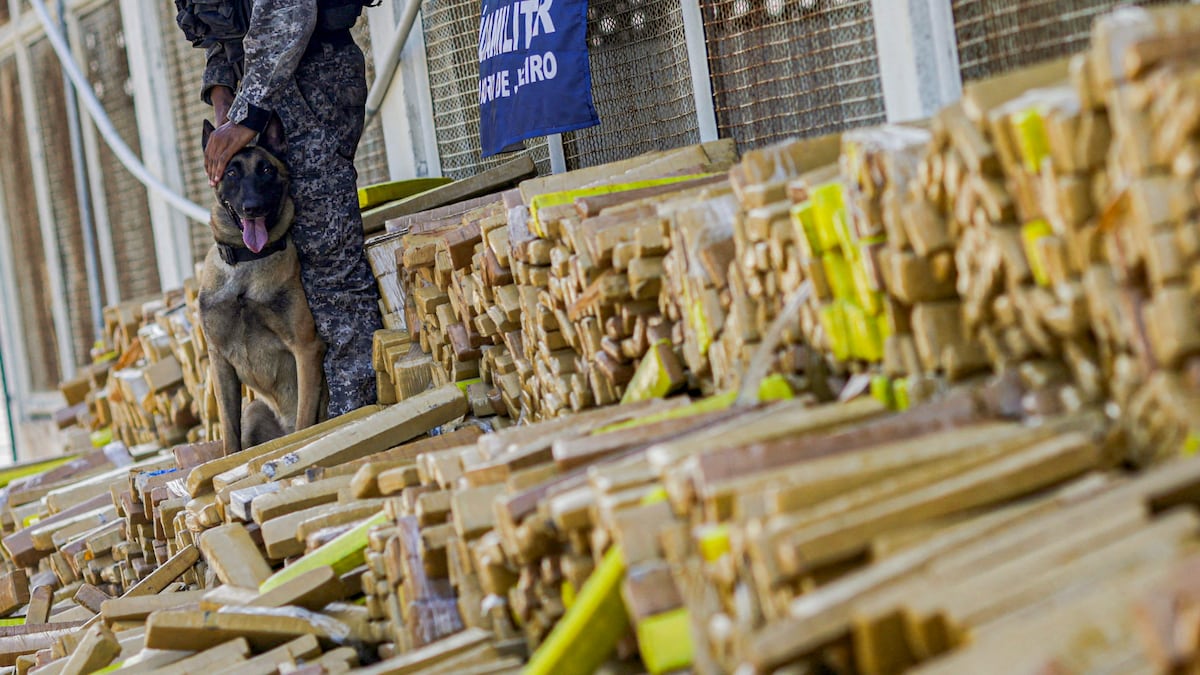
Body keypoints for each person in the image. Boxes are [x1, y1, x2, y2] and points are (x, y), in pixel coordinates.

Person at [194, 0, 383, 417]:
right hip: (254, 90)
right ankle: (317, 425)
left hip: (311, 80)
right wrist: (223, 96)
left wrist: (245, 116)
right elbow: (214, 30)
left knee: (330, 269)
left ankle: (354, 421)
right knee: (286, 268)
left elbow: (288, 13)